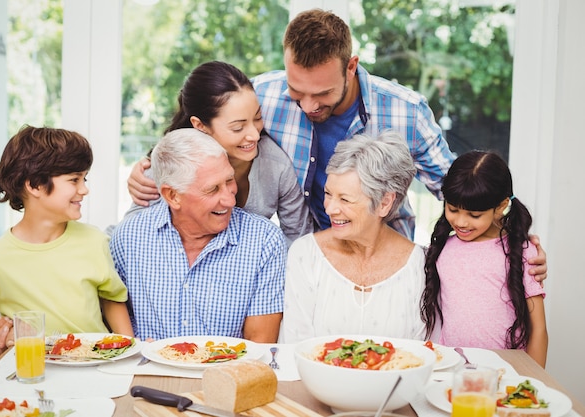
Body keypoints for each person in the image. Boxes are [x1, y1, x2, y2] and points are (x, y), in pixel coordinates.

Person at [126, 9, 548, 283]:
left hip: (382, 257)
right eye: (297, 92)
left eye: (322, 95)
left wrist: (514, 243)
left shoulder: (405, 111)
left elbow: (461, 192)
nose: (308, 105)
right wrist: (147, 169)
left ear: (351, 66)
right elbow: (200, 130)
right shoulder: (265, 98)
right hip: (307, 255)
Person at [0, 125, 133, 356]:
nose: (84, 190)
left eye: (84, 179)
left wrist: (129, 348)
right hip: (36, 369)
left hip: (96, 364)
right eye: (74, 180)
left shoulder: (94, 241)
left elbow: (112, 298)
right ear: (34, 185)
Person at [110, 128, 286, 343]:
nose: (230, 200)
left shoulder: (265, 241)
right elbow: (110, 308)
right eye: (212, 190)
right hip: (146, 371)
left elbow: (260, 346)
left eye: (229, 181)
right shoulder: (129, 237)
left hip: (226, 373)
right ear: (172, 195)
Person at [122, 61, 312, 243]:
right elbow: (131, 233)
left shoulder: (276, 165)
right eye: (238, 128)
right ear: (200, 125)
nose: (254, 135)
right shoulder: (174, 161)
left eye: (257, 118)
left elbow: (298, 238)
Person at [280, 131, 426, 343]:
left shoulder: (418, 265)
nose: (329, 209)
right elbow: (295, 349)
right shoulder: (305, 255)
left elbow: (421, 355)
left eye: (345, 200)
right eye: (328, 194)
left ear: (384, 203)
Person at [421, 151, 548, 367]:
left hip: (507, 374)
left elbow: (539, 330)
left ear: (500, 207)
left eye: (474, 215)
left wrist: (533, 381)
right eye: (453, 209)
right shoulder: (442, 250)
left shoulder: (523, 252)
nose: (460, 222)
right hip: (453, 372)